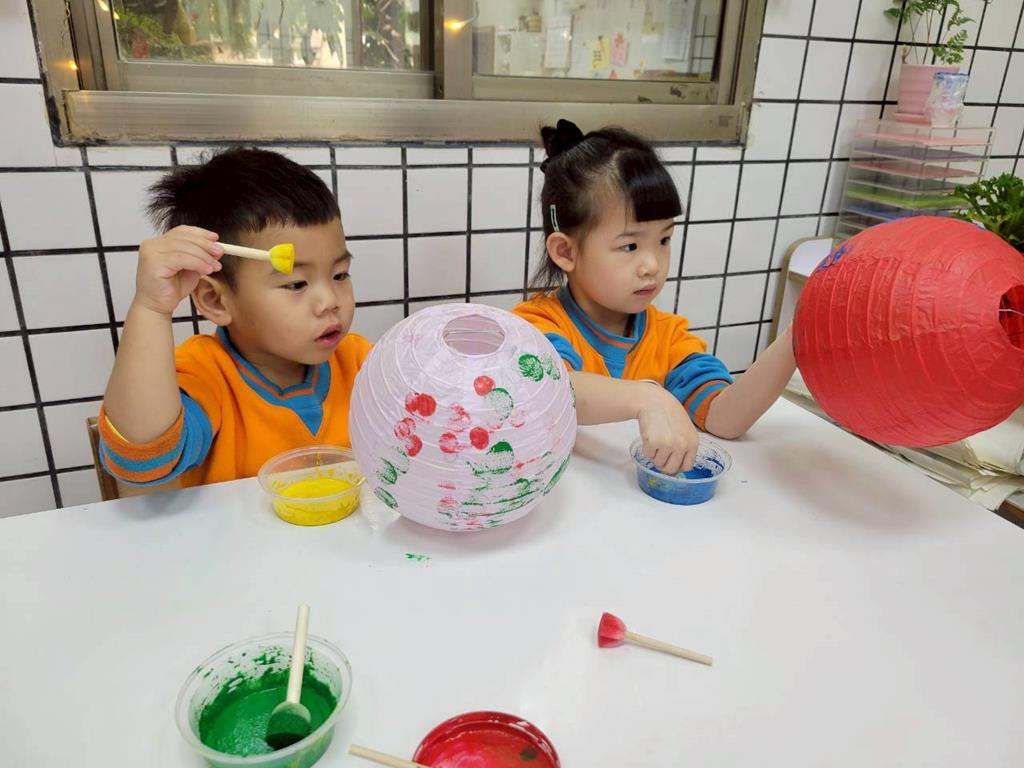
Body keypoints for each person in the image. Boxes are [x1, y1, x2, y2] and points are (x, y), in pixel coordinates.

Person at [513, 120, 796, 475]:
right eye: (630, 246)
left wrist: (795, 341)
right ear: (566, 252)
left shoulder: (669, 337)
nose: (653, 265)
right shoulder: (535, 326)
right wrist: (647, 397)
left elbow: (724, 419)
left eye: (664, 240)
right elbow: (552, 389)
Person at [98, 148, 370, 487]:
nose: (330, 302)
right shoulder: (205, 374)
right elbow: (141, 460)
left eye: (340, 275)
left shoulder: (360, 363)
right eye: (297, 284)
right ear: (215, 300)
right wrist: (151, 309)